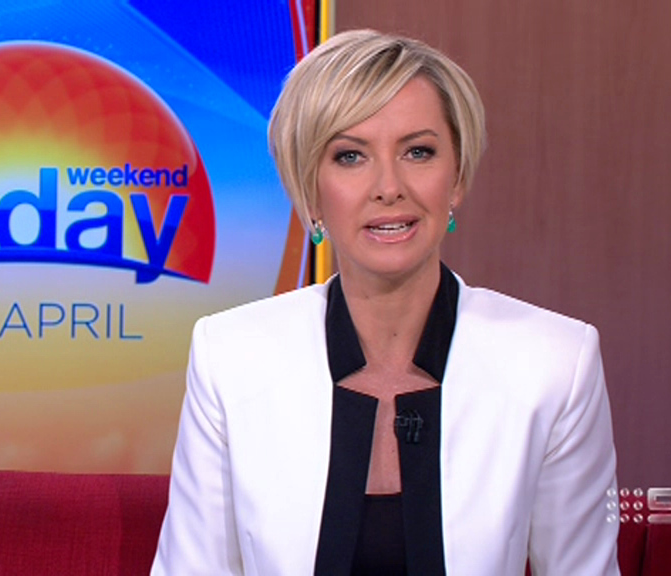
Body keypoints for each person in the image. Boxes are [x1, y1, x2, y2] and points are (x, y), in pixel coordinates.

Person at [151, 29, 619, 575]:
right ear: (310, 188)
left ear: (456, 177)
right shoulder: (231, 357)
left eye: (418, 152)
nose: (389, 186)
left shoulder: (554, 362)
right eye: (350, 156)